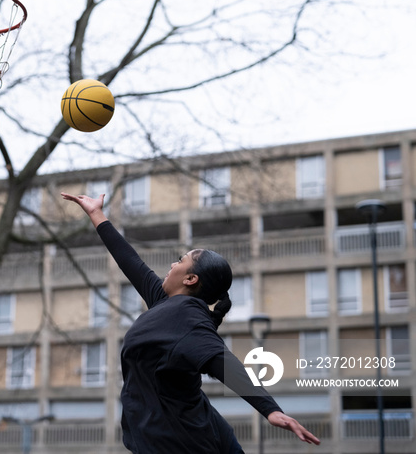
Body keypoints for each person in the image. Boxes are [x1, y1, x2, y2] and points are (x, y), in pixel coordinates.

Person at [61, 192, 321, 453]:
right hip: (179, 428)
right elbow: (130, 261)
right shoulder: (164, 301)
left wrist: (270, 410)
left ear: (190, 279)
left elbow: (227, 364)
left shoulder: (192, 321)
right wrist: (96, 213)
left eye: (181, 260)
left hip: (186, 438)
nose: (173, 264)